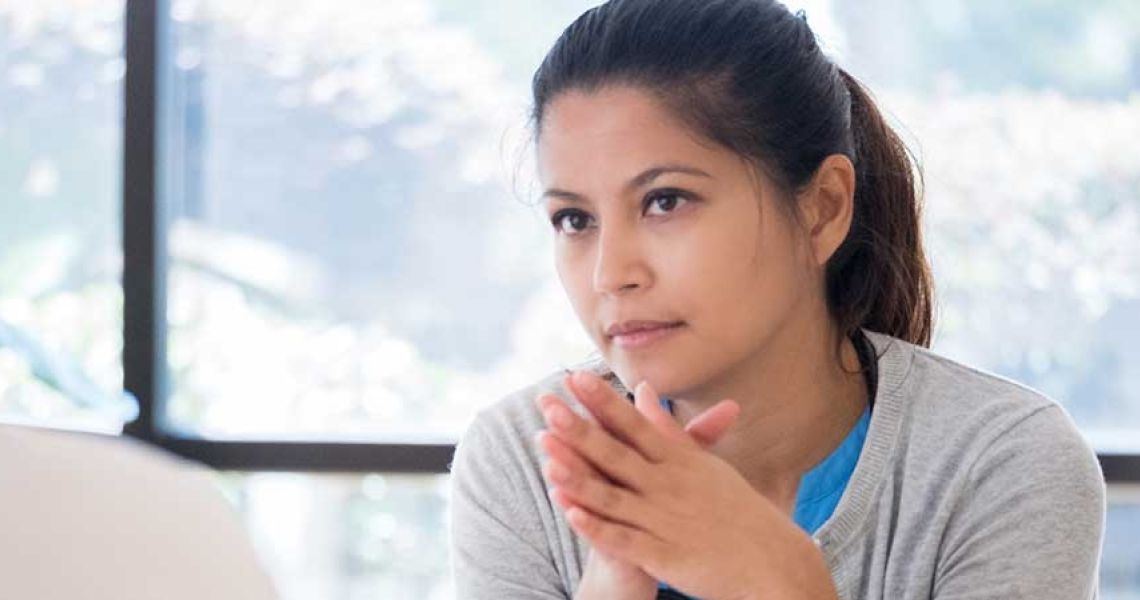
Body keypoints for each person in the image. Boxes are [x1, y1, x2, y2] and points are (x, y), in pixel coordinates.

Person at [448, 0, 1106, 598]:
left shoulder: (999, 464)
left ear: (822, 210)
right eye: (574, 220)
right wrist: (615, 576)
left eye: (665, 201)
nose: (609, 274)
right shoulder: (526, 459)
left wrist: (782, 584)